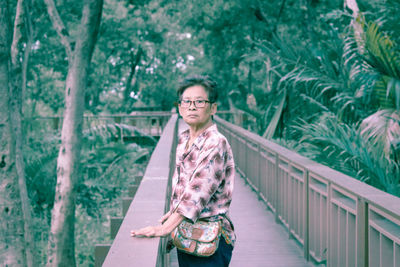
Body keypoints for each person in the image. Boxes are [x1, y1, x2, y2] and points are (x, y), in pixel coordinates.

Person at [131, 75, 236, 266]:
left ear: (213, 108)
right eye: (186, 102)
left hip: (209, 241)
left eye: (199, 101)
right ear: (180, 107)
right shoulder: (184, 139)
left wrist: (162, 229)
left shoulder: (215, 143)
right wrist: (172, 214)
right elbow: (182, 188)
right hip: (187, 237)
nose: (192, 106)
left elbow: (197, 193)